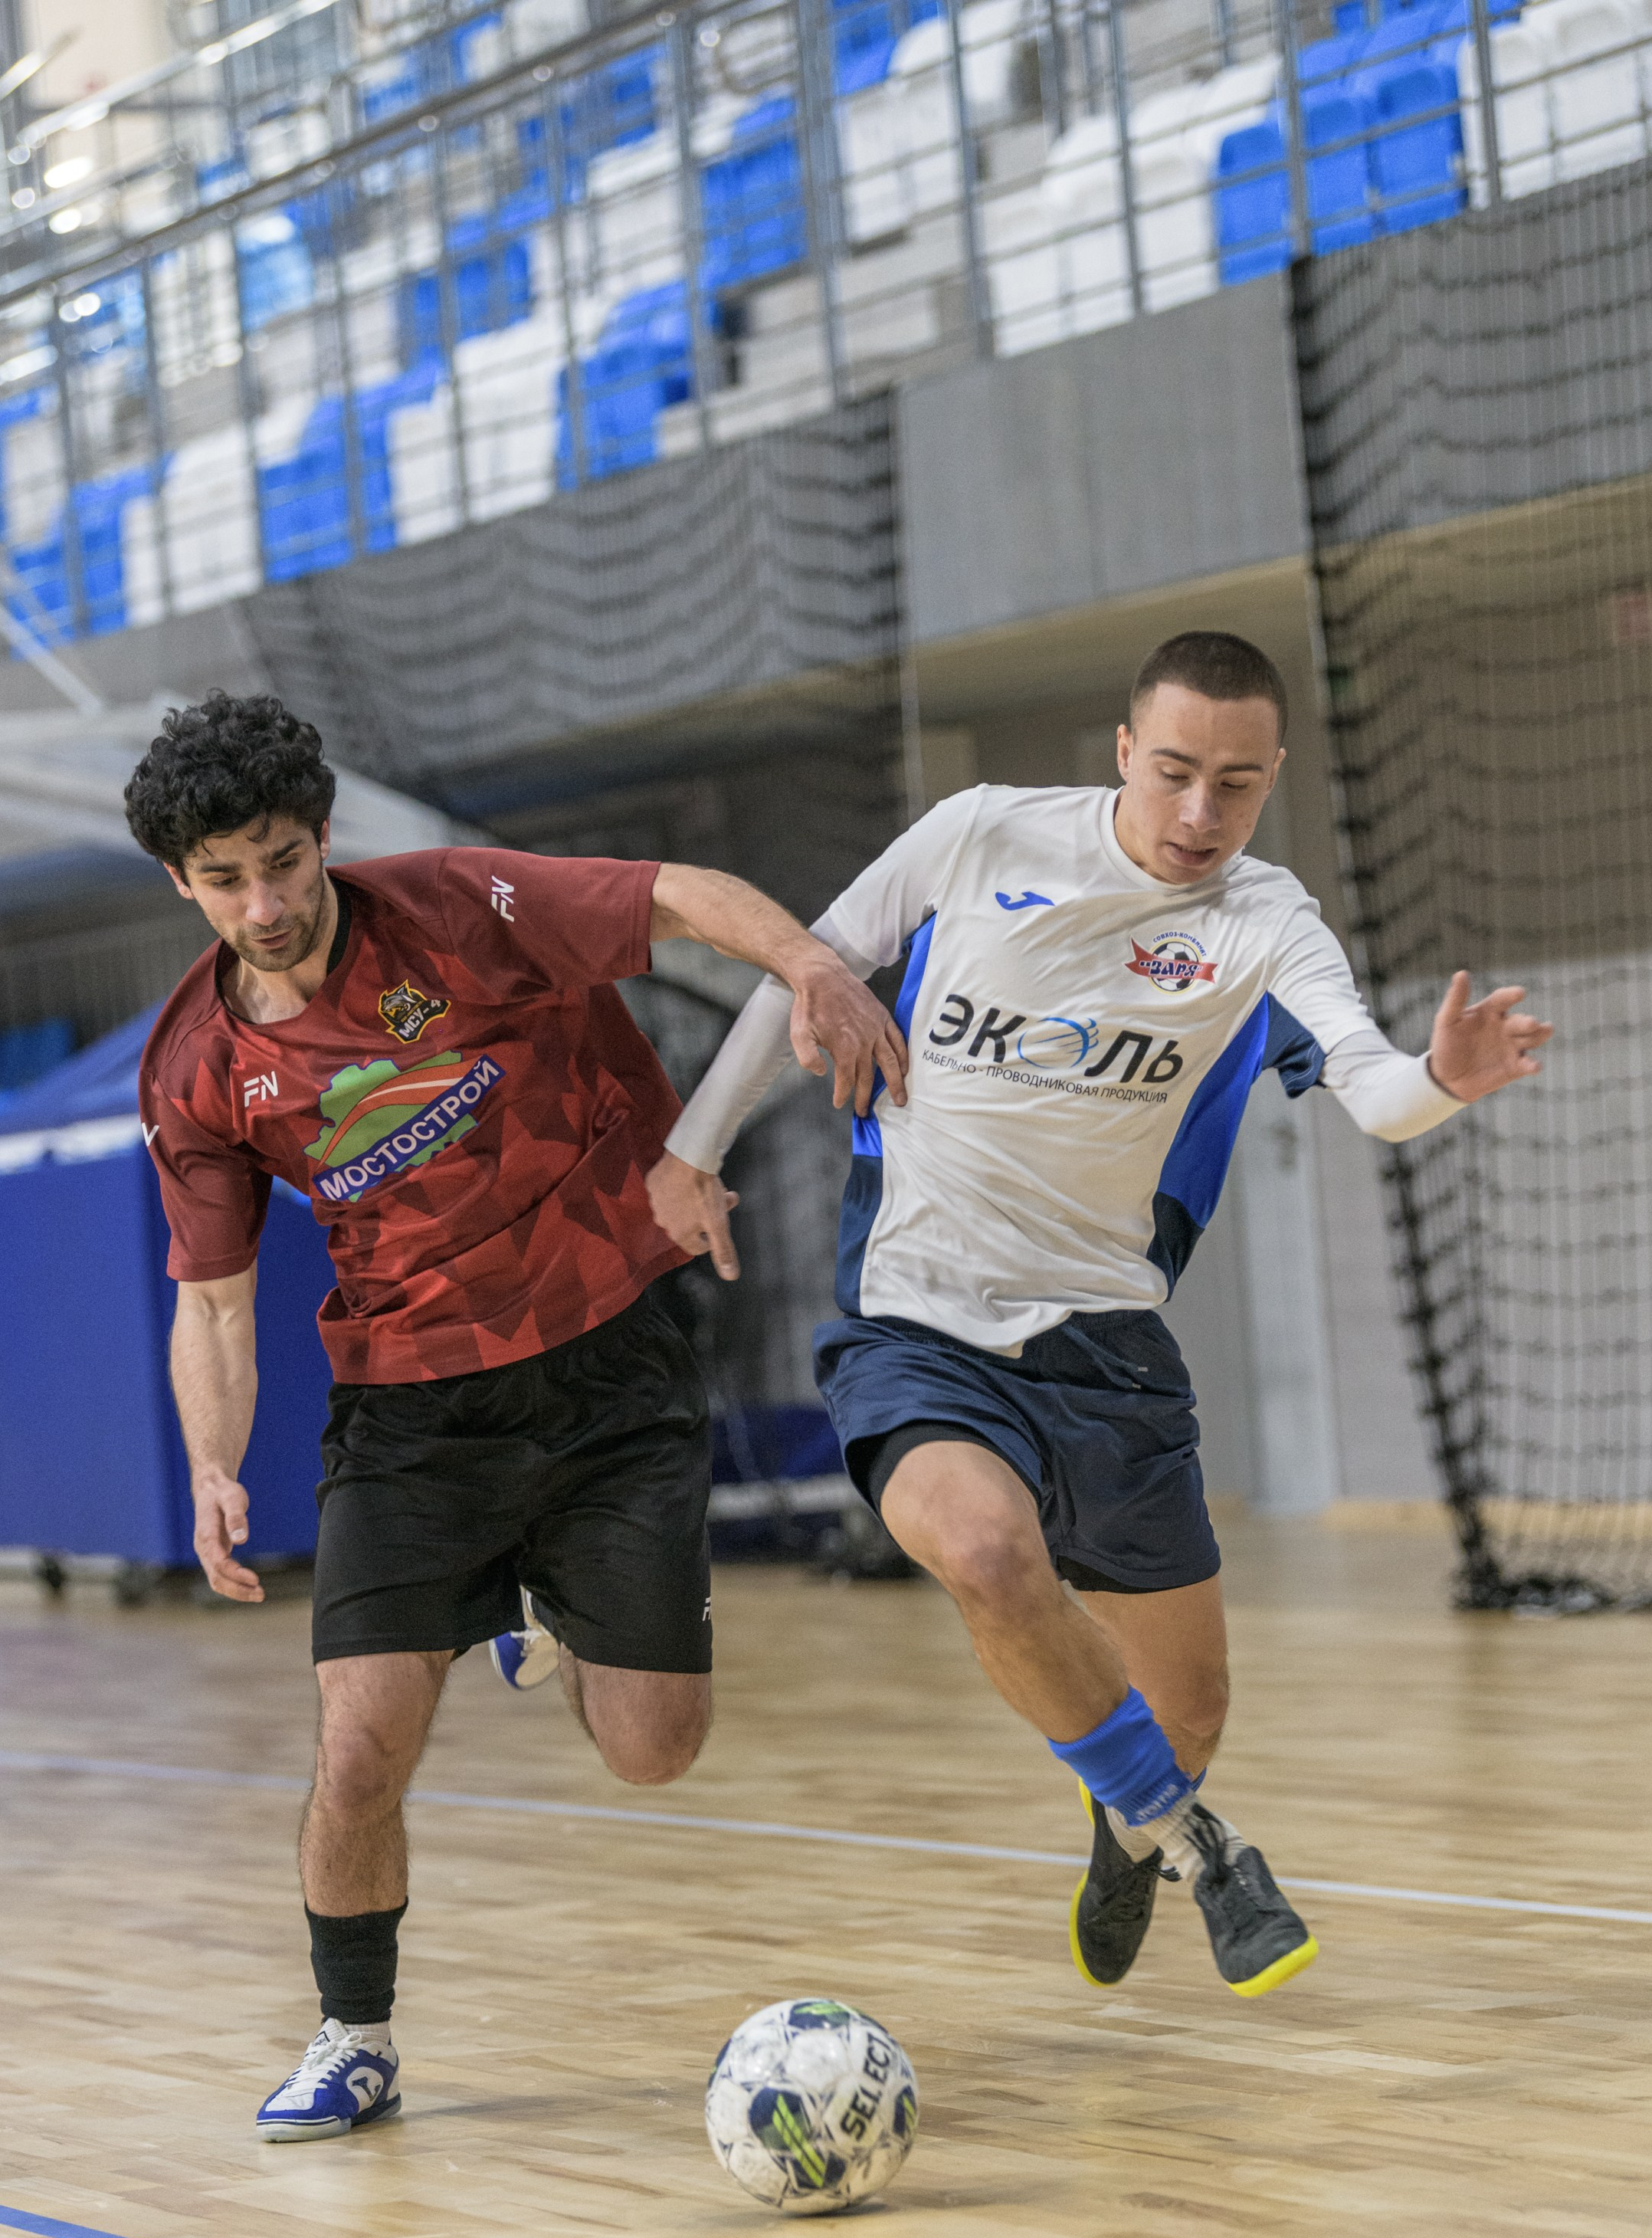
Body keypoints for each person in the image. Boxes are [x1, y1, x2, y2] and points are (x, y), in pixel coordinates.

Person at [647, 632, 1549, 1997]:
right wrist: (693, 1149)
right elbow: (807, 983)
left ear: (1272, 779)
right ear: (1125, 752)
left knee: (1185, 1711)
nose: (1200, 815)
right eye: (1176, 771)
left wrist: (1445, 1075)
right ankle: (1199, 1845)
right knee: (987, 1556)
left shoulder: (1265, 921)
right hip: (917, 1324)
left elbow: (1372, 1090)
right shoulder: (978, 836)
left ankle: (1129, 1818)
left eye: (1235, 787)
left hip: (1104, 1351)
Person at [126, 691, 904, 2138]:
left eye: (284, 861)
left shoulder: (455, 907)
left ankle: (540, 1612)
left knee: (655, 1749)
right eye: (226, 878)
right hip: (410, 1413)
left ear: (323, 839)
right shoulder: (195, 1069)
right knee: (358, 1746)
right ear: (181, 883)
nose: (266, 901)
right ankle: (354, 2033)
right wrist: (212, 1467)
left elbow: (679, 899)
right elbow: (215, 1301)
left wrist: (809, 967)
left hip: (609, 1356)